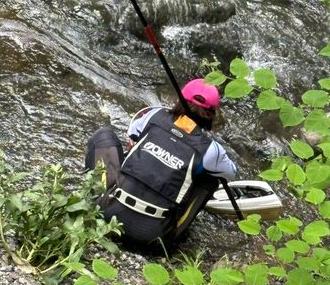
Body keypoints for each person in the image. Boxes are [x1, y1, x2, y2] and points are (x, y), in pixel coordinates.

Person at [85, 79, 236, 246]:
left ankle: (97, 199)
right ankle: (176, 224)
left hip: (108, 215)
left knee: (103, 135)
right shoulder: (211, 150)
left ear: (179, 99)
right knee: (210, 178)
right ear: (212, 115)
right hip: (154, 239)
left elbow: (132, 138)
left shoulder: (152, 115)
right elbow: (230, 173)